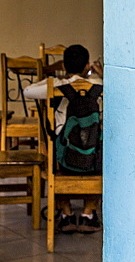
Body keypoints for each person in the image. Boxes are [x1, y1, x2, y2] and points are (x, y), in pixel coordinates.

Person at [23, 43, 104, 234]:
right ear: (87, 66)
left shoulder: (58, 84)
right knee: (99, 144)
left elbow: (28, 91)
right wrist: (100, 73)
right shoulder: (99, 85)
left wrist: (53, 80)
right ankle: (88, 214)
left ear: (64, 66)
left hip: (62, 161)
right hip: (93, 160)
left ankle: (66, 213)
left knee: (52, 146)